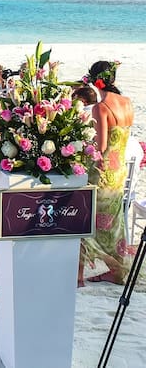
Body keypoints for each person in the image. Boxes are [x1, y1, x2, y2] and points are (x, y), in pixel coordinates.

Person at [79, 61, 135, 286]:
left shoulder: (100, 108)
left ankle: (79, 276)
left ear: (94, 81)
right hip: (119, 170)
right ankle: (116, 270)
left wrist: (82, 145)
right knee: (114, 223)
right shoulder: (128, 103)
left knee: (86, 219)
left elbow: (100, 147)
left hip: (102, 173)